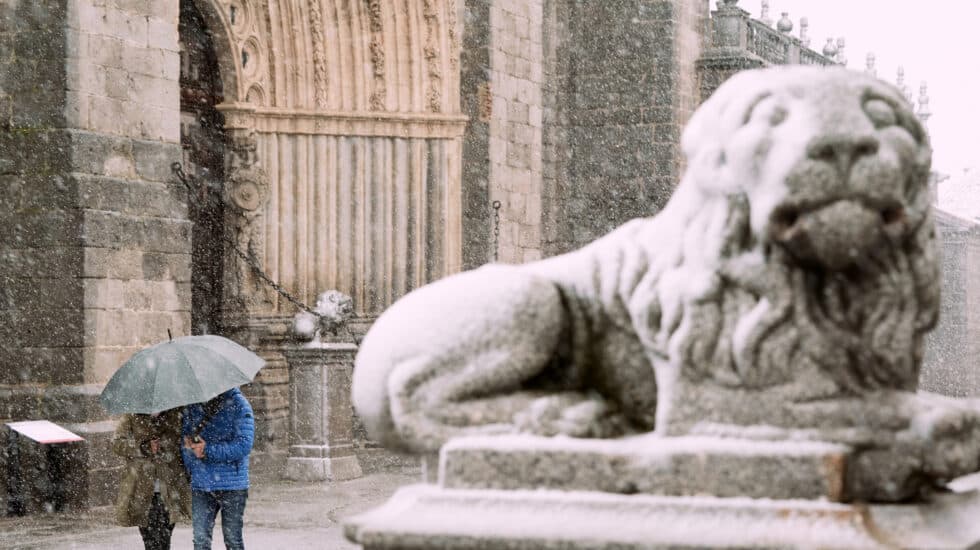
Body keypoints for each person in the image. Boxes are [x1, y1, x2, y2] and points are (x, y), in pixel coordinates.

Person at [182, 387, 255, 550]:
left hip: (233, 484)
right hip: (202, 483)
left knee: (232, 540)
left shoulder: (239, 405)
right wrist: (190, 453)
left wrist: (208, 451)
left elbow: (243, 445)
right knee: (200, 540)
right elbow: (185, 439)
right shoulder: (193, 405)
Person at [111, 408, 192, 550]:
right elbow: (117, 444)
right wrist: (143, 447)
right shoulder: (132, 414)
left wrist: (178, 444)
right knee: (150, 540)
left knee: (165, 539)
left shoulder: (176, 413)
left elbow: (185, 442)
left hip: (169, 487)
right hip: (142, 488)